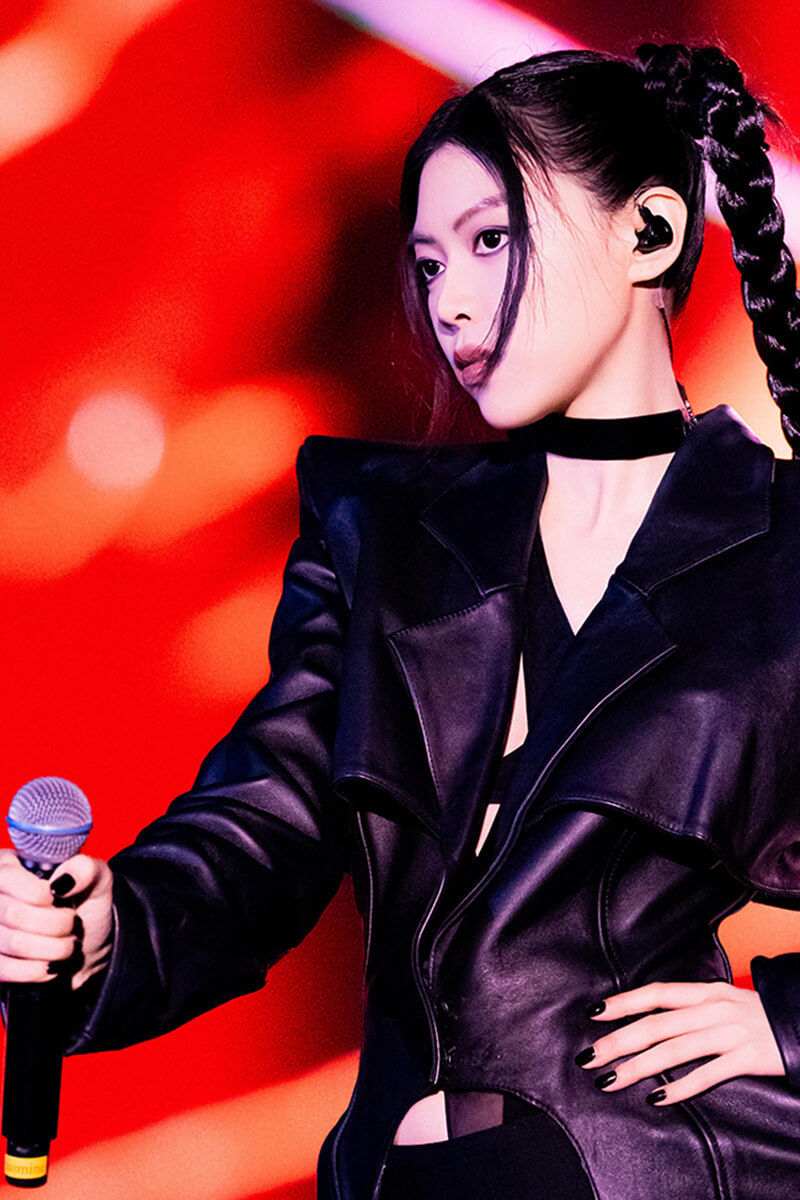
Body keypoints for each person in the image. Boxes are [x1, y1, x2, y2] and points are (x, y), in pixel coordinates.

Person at [1, 39, 800, 1200]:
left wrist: (780, 1023)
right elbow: (263, 831)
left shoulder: (772, 553)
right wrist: (110, 929)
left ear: (648, 233)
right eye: (427, 263)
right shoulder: (376, 540)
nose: (452, 301)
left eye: (491, 241)